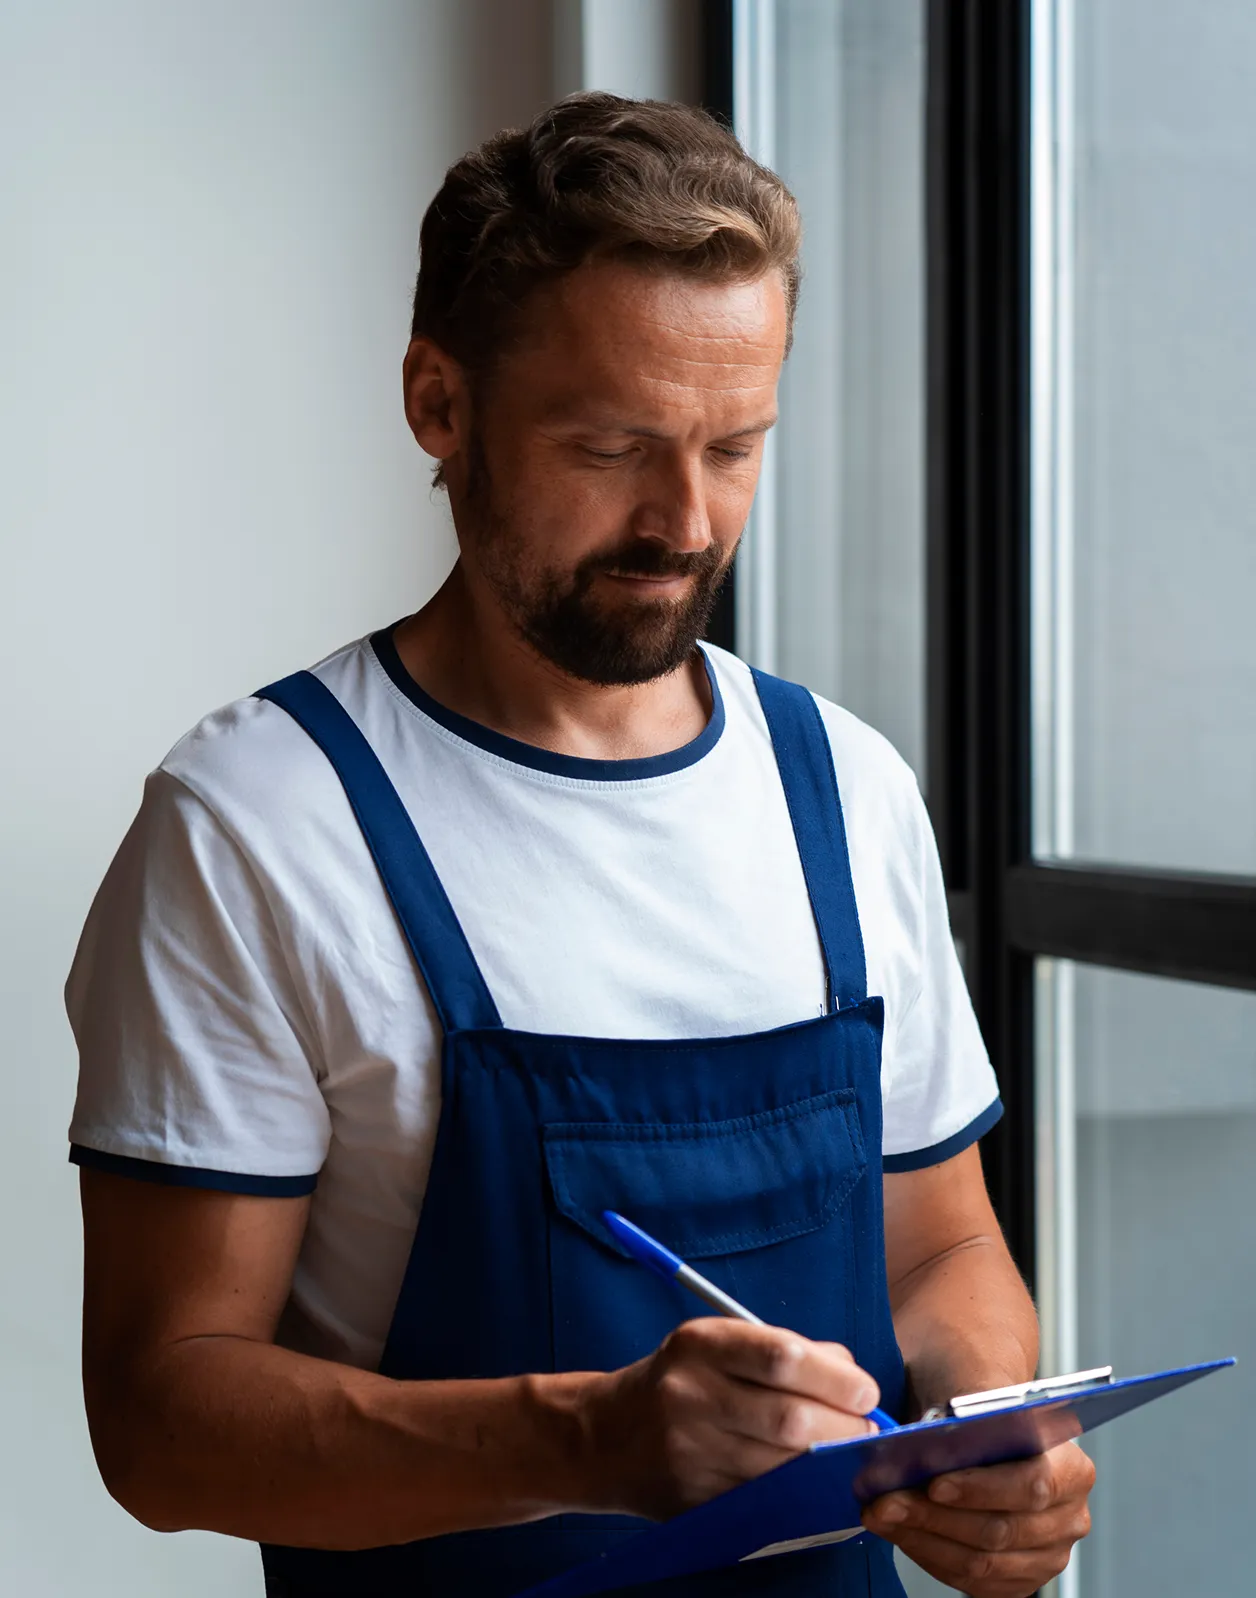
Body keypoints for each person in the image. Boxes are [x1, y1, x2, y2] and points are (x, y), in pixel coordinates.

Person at [67, 93, 1094, 1598]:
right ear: (438, 402)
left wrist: (984, 1439)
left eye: (734, 445)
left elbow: (939, 1249)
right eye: (610, 445)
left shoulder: (845, 787)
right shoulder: (259, 826)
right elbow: (162, 1422)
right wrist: (581, 1438)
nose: (684, 521)